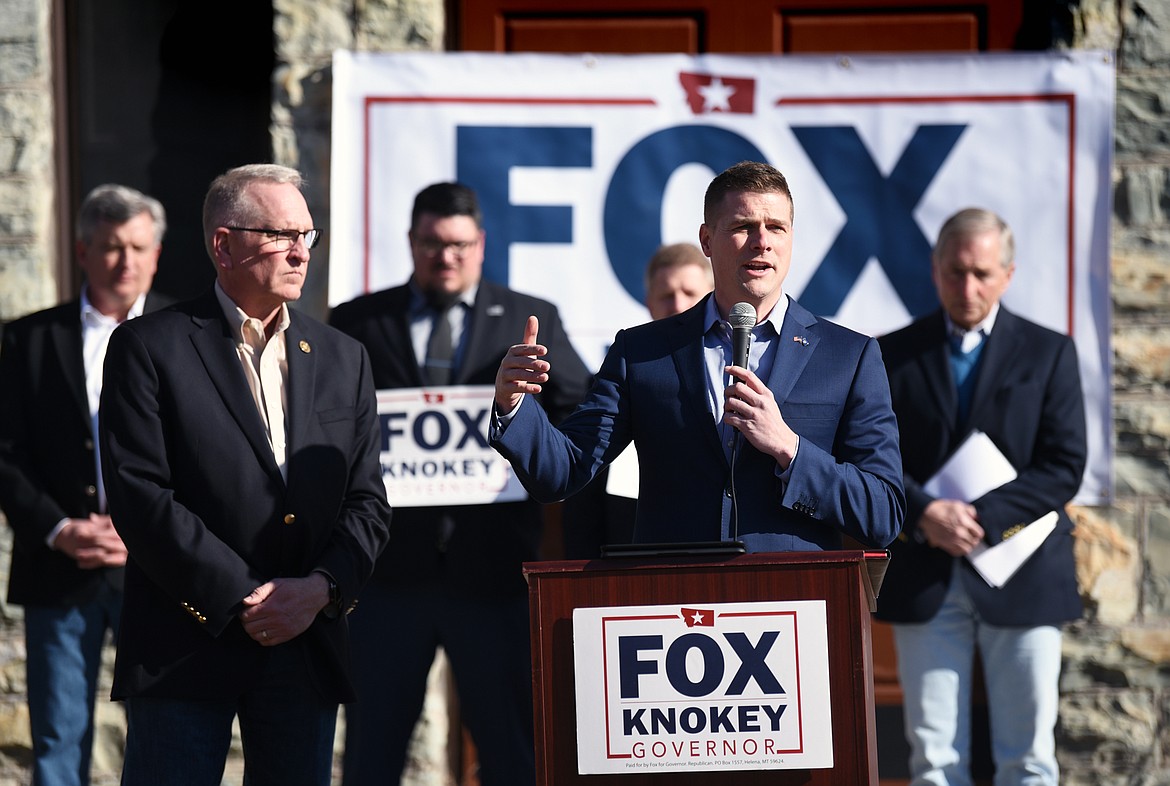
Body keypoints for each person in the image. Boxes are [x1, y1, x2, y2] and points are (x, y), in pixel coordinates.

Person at [98, 164, 392, 786]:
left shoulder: (344, 357)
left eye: (308, 235)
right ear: (223, 243)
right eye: (281, 233)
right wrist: (246, 598)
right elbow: (141, 496)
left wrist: (319, 589)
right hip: (186, 642)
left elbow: (366, 501)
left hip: (304, 643)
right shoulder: (149, 347)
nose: (299, 251)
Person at [491, 160, 904, 553]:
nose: (762, 241)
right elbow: (562, 471)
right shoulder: (642, 353)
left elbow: (882, 514)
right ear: (707, 240)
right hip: (675, 608)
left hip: (795, 606)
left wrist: (789, 448)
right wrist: (514, 408)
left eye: (776, 227)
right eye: (743, 226)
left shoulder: (849, 356)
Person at [330, 182, 591, 786]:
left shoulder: (532, 316)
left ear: (480, 245)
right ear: (411, 243)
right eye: (431, 244)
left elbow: (582, 414)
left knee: (510, 754)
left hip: (494, 572)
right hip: (387, 577)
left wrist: (529, 411)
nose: (444, 257)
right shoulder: (358, 321)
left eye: (457, 245)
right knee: (371, 753)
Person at [875, 208, 1086, 785]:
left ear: (1008, 274)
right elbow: (872, 457)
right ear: (935, 269)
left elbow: (1063, 465)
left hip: (1023, 573)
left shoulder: (1049, 352)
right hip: (927, 573)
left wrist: (980, 519)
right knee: (935, 761)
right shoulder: (890, 354)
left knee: (1029, 758)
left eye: (982, 274)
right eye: (954, 272)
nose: (967, 288)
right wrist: (925, 515)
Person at [0, 184, 167, 786]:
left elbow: (209, 459)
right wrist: (60, 528)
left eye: (137, 247)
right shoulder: (28, 340)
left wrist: (142, 532)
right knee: (57, 737)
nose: (125, 261)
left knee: (164, 734)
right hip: (59, 568)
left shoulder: (191, 336)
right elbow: (5, 454)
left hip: (157, 569)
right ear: (82, 251)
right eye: (111, 247)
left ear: (157, 253)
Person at [561, 242, 713, 558]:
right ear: (649, 304)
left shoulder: (739, 377)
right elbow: (583, 504)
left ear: (712, 296)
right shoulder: (614, 384)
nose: (678, 304)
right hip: (630, 569)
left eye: (689, 292)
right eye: (666, 295)